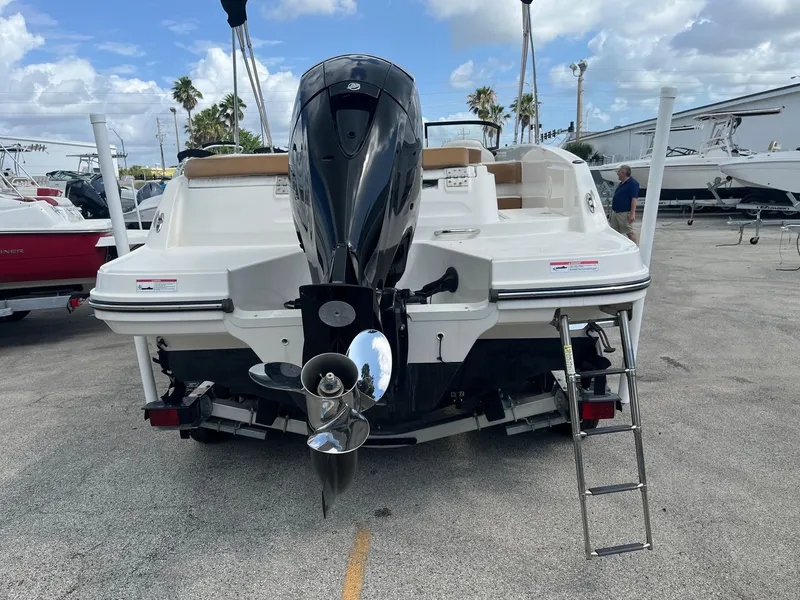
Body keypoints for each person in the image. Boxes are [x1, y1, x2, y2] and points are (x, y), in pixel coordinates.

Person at [609, 165, 639, 244]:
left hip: (624, 213)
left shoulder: (632, 183)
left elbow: (634, 198)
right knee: (614, 232)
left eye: (618, 172)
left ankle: (635, 248)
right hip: (616, 212)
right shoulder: (621, 183)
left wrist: (632, 214)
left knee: (629, 232)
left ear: (623, 173)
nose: (617, 174)